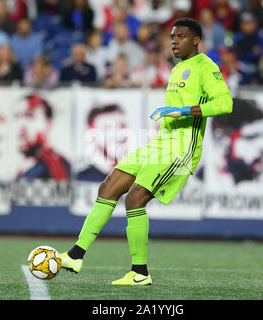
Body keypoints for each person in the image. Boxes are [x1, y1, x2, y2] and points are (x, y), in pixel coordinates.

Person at [59, 18, 233, 285]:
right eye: (172, 37)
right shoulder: (178, 69)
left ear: (196, 40)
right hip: (161, 142)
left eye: (181, 37)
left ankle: (140, 273)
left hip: (181, 147)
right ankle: (75, 255)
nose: (174, 41)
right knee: (109, 185)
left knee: (135, 198)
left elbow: (225, 103)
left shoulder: (205, 66)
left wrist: (184, 111)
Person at [15, 94, 71, 181]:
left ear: (48, 123)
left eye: (29, 116)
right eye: (17, 116)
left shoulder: (57, 166)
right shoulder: (18, 166)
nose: (21, 124)